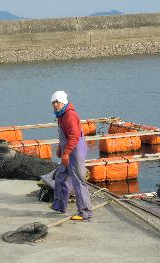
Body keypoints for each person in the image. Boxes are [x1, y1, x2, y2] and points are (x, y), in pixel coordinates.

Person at [50, 90, 92, 220]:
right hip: (68, 150)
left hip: (75, 151)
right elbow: (64, 135)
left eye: (57, 102)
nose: (55, 105)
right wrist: (60, 148)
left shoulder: (69, 115)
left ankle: (85, 212)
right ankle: (59, 205)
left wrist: (66, 153)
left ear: (63, 101)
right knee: (61, 176)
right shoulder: (61, 114)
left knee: (78, 180)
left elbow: (74, 137)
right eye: (53, 103)